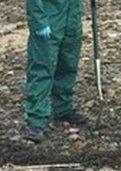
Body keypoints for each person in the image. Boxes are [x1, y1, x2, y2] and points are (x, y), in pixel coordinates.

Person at [25, 0, 87, 143]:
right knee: (42, 69)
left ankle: (63, 108)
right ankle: (36, 121)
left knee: (68, 64)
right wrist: (38, 21)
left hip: (72, 17)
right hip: (50, 18)